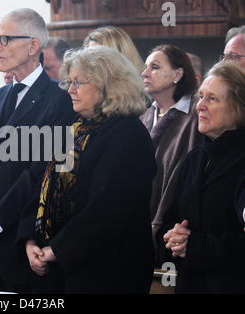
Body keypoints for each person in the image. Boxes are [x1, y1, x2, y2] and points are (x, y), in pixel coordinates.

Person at [18, 46, 156, 293]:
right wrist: (30, 240)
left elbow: (108, 209)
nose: (70, 90)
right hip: (55, 267)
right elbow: (42, 187)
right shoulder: (75, 128)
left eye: (79, 82)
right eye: (70, 82)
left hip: (107, 271)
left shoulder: (128, 135)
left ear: (108, 86)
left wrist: (57, 250)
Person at [0, 8, 75, 293]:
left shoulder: (60, 101)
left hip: (21, 247)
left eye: (5, 39)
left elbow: (40, 174)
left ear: (33, 45)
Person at [159, 61, 245, 293]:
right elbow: (171, 217)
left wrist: (195, 246)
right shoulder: (194, 158)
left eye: (212, 99)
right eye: (200, 97)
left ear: (238, 106)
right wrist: (173, 236)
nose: (200, 106)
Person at [140, 45, 201, 249]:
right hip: (139, 218)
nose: (145, 73)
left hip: (177, 225)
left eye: (155, 67)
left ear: (178, 74)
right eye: (145, 67)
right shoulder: (145, 115)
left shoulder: (195, 115)